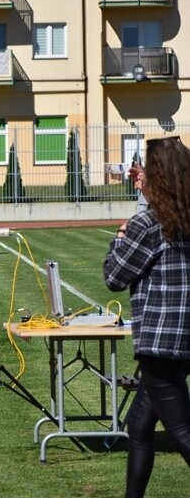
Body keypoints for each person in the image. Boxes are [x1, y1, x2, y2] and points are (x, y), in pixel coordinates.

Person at [103, 136, 190, 498]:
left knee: (183, 434)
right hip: (183, 338)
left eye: (145, 173)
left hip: (159, 343)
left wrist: (119, 237)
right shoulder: (184, 217)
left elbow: (114, 276)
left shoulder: (149, 225)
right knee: (138, 427)